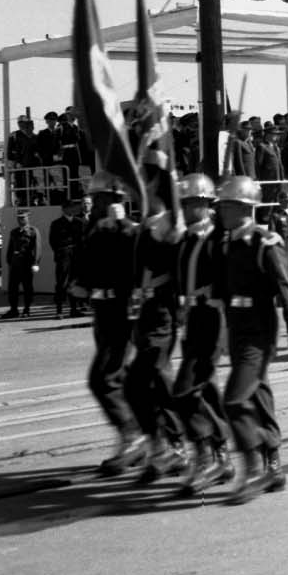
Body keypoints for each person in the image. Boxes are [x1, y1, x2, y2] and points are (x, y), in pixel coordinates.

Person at [212, 175, 288, 503]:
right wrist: (224, 330)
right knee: (259, 394)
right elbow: (224, 292)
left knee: (235, 399)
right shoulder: (228, 243)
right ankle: (273, 464)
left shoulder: (265, 242)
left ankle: (252, 469)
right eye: (221, 205)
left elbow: (286, 288)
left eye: (227, 204)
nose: (221, 210)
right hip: (238, 327)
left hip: (259, 331)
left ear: (244, 207)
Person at [73, 172, 145, 475]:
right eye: (95, 198)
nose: (95, 202)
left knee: (103, 378)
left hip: (121, 310)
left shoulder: (128, 231)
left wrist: (123, 226)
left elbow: (137, 265)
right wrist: (80, 282)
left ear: (115, 200)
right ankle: (138, 435)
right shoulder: (96, 229)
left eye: (101, 198)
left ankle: (134, 436)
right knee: (117, 377)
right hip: (102, 309)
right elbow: (86, 260)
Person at [171, 173, 234, 498]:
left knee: (184, 392)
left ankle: (207, 452)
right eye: (183, 202)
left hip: (214, 319)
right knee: (206, 389)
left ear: (205, 204)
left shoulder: (218, 237)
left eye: (190, 202)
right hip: (192, 319)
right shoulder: (188, 239)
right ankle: (220, 455)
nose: (185, 207)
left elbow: (231, 276)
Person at [125, 196, 187, 485]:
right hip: (145, 311)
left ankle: (173, 446)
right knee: (148, 383)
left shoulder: (167, 230)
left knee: (150, 380)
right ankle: (164, 445)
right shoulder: (144, 229)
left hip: (162, 311)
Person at [49, 198, 86, 319]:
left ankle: (74, 309)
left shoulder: (79, 222)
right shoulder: (56, 223)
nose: (72, 209)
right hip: (63, 255)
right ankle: (59, 310)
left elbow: (83, 240)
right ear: (64, 209)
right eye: (70, 207)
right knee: (61, 283)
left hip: (76, 255)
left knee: (74, 282)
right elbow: (52, 241)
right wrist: (61, 252)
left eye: (73, 207)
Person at [2, 208, 41, 319]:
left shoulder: (33, 231)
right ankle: (13, 310)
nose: (20, 220)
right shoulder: (14, 232)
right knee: (12, 288)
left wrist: (36, 263)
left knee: (27, 287)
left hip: (26, 264)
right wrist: (9, 261)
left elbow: (37, 248)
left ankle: (27, 309)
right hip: (15, 265)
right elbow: (10, 248)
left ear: (28, 218)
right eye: (19, 218)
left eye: (23, 218)